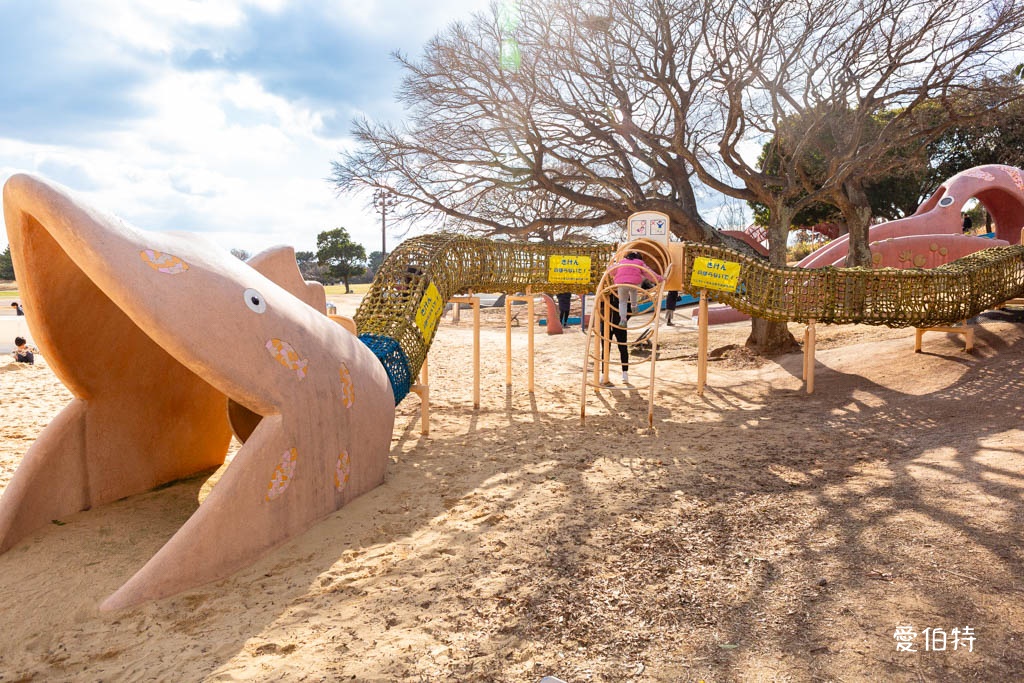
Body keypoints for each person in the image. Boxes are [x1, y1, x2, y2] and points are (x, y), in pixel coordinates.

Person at [612, 251, 662, 322]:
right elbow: (649, 273)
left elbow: (611, 270)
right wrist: (659, 279)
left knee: (622, 302)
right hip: (633, 283)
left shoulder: (621, 262)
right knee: (633, 291)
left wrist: (615, 274)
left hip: (621, 284)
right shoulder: (640, 263)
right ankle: (634, 307)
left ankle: (623, 320)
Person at [599, 292, 630, 384]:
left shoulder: (623, 293)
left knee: (623, 347)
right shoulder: (605, 293)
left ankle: (625, 372)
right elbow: (599, 306)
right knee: (605, 349)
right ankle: (604, 373)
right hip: (605, 324)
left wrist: (623, 320)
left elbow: (629, 310)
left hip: (619, 325)